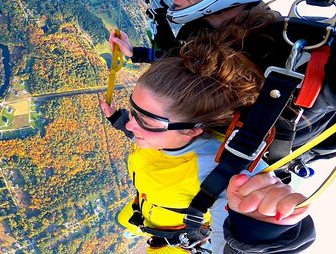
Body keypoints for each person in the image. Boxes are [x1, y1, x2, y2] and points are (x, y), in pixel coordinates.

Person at [100, 31, 314, 253]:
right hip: (143, 211)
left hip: (173, 241)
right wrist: (118, 119)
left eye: (145, 121)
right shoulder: (163, 135)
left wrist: (258, 232)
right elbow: (146, 134)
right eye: (133, 112)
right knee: (123, 221)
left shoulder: (223, 176)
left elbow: (228, 246)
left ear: (193, 130)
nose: (130, 125)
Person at [109, 0, 336, 175]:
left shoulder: (275, 121)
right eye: (142, 119)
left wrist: (123, 124)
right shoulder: (202, 37)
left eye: (143, 120)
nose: (131, 123)